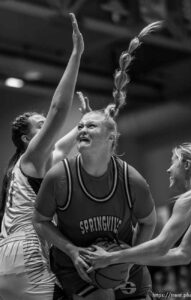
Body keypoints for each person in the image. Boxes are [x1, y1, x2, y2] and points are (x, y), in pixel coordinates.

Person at [33, 21, 162, 300]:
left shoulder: (131, 179)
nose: (82, 129)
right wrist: (71, 250)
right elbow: (40, 220)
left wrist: (128, 259)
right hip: (75, 264)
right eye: (80, 126)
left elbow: (149, 222)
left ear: (111, 139)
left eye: (91, 126)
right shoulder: (59, 177)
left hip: (123, 264)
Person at [0, 13, 84, 300]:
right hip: (27, 251)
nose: (46, 125)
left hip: (6, 256)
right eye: (40, 125)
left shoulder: (26, 165)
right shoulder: (30, 158)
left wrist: (87, 122)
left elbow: (61, 147)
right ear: (27, 139)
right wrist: (76, 54)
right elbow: (59, 110)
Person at [84, 143, 191, 270]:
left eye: (173, 162)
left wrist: (110, 257)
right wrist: (130, 256)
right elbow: (183, 254)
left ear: (187, 165)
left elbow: (161, 247)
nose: (168, 169)